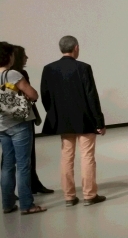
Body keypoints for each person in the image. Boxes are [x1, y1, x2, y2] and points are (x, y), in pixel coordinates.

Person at [41, 36, 107, 207]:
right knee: (87, 156)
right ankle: (89, 195)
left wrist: (55, 113)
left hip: (63, 120)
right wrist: (99, 121)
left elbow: (45, 96)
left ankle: (69, 197)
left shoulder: (49, 69)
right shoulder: (83, 68)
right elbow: (91, 96)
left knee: (66, 156)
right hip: (84, 119)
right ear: (76, 47)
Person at [0, 42, 47, 215]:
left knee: (7, 165)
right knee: (23, 165)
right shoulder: (12, 74)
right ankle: (27, 205)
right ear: (9, 56)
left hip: (2, 125)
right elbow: (33, 94)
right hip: (19, 123)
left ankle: (7, 204)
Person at [10, 46, 54, 195]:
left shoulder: (3, 74)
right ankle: (29, 190)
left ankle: (10, 193)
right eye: (24, 55)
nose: (27, 58)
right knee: (27, 155)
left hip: (6, 119)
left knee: (8, 158)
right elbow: (32, 95)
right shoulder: (20, 74)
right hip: (23, 117)